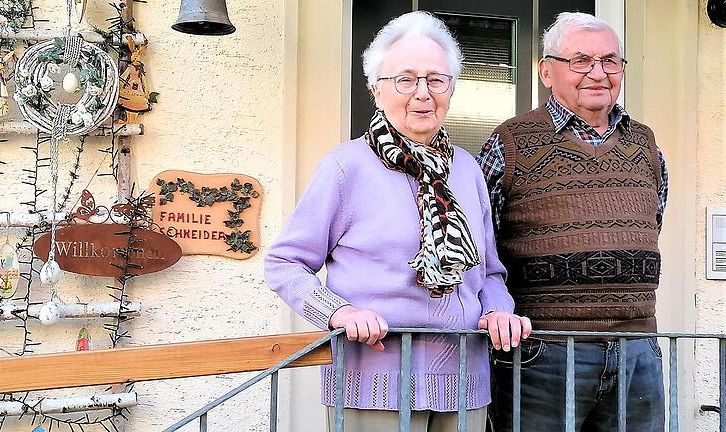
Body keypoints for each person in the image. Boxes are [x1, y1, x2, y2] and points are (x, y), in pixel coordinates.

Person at [265, 11, 531, 432]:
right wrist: (339, 312)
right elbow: (285, 264)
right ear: (376, 90)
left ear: (451, 89)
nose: (422, 93)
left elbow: (490, 273)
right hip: (373, 381)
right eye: (405, 79)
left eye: (436, 80)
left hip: (464, 382)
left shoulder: (467, 170)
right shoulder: (345, 166)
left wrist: (500, 311)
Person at [477, 12, 668, 432]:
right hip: (542, 351)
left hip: (637, 349)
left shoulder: (645, 142)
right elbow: (479, 242)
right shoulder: (510, 141)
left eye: (610, 61)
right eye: (580, 60)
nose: (598, 73)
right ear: (547, 71)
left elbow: (652, 221)